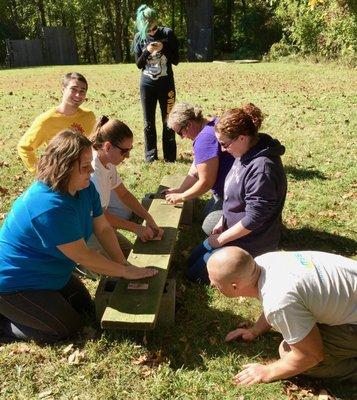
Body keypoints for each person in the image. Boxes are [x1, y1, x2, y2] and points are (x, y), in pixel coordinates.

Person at [0, 131, 157, 343]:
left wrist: (123, 265)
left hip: (50, 273)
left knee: (85, 309)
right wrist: (124, 271)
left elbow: (103, 229)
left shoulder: (85, 188)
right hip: (14, 283)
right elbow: (84, 256)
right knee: (65, 330)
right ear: (63, 167)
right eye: (84, 166)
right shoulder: (48, 207)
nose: (91, 170)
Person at [207, 247, 357, 384]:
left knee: (289, 353)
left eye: (215, 283)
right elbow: (282, 299)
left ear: (235, 286)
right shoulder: (264, 261)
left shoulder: (279, 300)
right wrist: (255, 330)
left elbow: (311, 355)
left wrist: (267, 371)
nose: (211, 285)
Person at [187, 103, 287, 284]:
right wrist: (222, 219)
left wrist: (222, 239)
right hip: (231, 231)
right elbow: (233, 196)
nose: (223, 149)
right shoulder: (244, 153)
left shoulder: (262, 170)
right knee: (190, 262)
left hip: (251, 241)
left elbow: (255, 218)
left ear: (241, 138)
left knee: (194, 276)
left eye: (224, 144)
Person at [17, 71, 131, 220]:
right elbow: (24, 147)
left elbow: (93, 143)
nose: (78, 95)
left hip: (88, 174)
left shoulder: (88, 116)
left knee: (124, 211)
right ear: (63, 89)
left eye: (82, 91)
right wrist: (41, 172)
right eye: (74, 90)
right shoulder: (46, 120)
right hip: (63, 179)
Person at [90, 116, 162, 258]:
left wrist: (148, 217)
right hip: (81, 231)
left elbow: (123, 194)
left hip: (96, 224)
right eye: (124, 151)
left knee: (130, 254)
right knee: (115, 267)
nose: (128, 156)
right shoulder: (93, 172)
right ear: (108, 147)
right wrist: (136, 228)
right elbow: (100, 217)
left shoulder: (107, 162)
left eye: (130, 150)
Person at [164, 102, 234, 234]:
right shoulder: (212, 123)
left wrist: (182, 196)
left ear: (189, 124)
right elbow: (196, 169)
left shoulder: (204, 140)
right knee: (205, 214)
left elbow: (206, 182)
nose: (183, 137)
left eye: (180, 133)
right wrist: (180, 189)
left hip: (233, 195)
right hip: (230, 189)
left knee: (208, 227)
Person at [132, 4, 179, 163]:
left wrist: (163, 47)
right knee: (148, 122)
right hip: (147, 85)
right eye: (148, 30)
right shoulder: (139, 37)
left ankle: (170, 157)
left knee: (169, 120)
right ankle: (150, 157)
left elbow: (176, 60)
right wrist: (147, 51)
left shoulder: (167, 33)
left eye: (153, 28)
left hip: (167, 85)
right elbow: (138, 64)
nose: (151, 32)